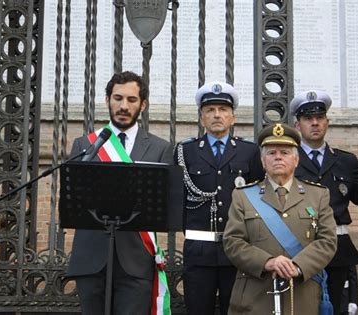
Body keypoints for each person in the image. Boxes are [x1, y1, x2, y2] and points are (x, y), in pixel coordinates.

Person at [66, 71, 173, 314]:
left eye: (132, 100)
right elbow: (75, 199)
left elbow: (163, 204)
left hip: (136, 262)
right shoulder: (84, 145)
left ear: (143, 105)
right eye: (118, 98)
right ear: (107, 100)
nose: (124, 106)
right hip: (91, 258)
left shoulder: (160, 148)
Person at [290, 90, 358, 314]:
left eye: (319, 118)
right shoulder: (287, 159)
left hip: (338, 249)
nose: (314, 123)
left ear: (327, 122)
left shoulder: (345, 161)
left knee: (337, 309)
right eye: (308, 119)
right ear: (297, 125)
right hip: (298, 248)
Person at [223, 122, 337, 314]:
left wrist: (298, 266)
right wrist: (267, 262)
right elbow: (232, 241)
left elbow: (327, 241)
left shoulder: (318, 195)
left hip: (302, 296)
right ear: (262, 160)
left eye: (284, 153)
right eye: (271, 153)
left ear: (296, 160)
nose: (278, 157)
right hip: (255, 297)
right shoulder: (243, 196)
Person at [175, 81, 264, 314]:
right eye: (210, 110)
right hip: (198, 251)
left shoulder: (249, 152)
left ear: (233, 117)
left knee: (235, 310)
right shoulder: (185, 151)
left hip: (237, 251)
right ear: (202, 118)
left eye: (223, 110)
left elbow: (259, 199)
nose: (217, 115)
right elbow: (178, 200)